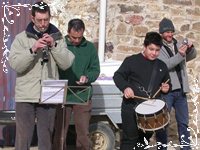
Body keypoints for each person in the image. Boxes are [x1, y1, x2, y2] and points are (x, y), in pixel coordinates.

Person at [8, 2, 74, 150]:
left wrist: (54, 46)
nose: (43, 24)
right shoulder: (21, 38)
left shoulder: (57, 38)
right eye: (39, 20)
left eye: (46, 19)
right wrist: (32, 49)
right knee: (23, 138)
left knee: (46, 138)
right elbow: (16, 64)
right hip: (26, 95)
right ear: (32, 18)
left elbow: (67, 63)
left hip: (49, 95)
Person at [113, 31, 171, 150]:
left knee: (143, 141)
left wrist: (166, 89)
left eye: (157, 50)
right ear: (144, 46)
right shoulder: (131, 61)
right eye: (151, 49)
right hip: (131, 107)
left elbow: (167, 83)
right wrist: (125, 87)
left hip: (150, 111)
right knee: (130, 140)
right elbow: (118, 76)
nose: (154, 53)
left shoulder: (161, 66)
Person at [57, 18, 100, 150]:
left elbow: (95, 70)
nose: (76, 40)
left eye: (79, 37)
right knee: (59, 133)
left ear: (83, 33)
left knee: (83, 133)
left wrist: (87, 77)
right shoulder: (60, 44)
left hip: (82, 94)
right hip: (62, 94)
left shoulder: (90, 48)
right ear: (68, 32)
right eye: (73, 37)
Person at [156, 18, 197, 150]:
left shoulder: (178, 44)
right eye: (166, 32)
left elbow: (191, 56)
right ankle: (162, 148)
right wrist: (180, 55)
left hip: (181, 91)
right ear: (161, 33)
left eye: (171, 31)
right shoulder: (159, 48)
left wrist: (190, 48)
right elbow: (165, 64)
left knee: (184, 123)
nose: (169, 34)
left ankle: (186, 148)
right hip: (167, 92)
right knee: (163, 124)